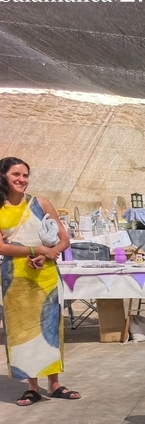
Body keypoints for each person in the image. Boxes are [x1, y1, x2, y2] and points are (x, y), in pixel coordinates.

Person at [0, 156, 78, 405]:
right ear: (3, 177)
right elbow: (1, 247)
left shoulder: (40, 203)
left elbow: (63, 239)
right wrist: (37, 251)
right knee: (22, 332)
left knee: (49, 328)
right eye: (16, 175)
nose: (22, 180)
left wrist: (48, 255)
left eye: (25, 175)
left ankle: (54, 383)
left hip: (45, 276)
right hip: (16, 280)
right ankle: (31, 386)